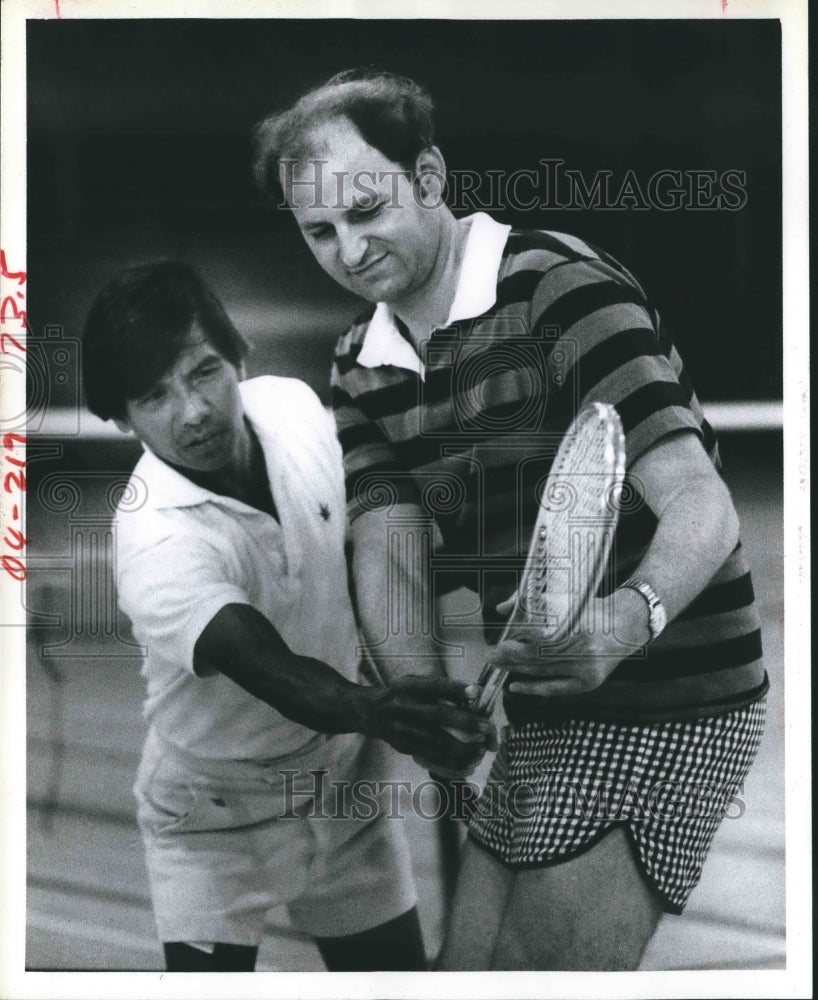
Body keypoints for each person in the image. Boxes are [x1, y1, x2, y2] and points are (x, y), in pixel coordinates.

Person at [252, 69, 770, 971]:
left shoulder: (557, 289)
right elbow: (389, 543)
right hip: (542, 708)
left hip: (673, 699)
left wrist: (629, 617)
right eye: (320, 231)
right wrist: (422, 697)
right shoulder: (357, 363)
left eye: (367, 209)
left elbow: (701, 501)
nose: (350, 248)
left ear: (428, 177)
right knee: (466, 975)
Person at [80, 260, 494, 972]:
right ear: (123, 419)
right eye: (154, 396)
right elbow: (282, 676)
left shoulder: (297, 409)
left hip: (343, 783)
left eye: (204, 372)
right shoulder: (155, 541)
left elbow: (376, 535)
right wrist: (393, 713)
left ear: (239, 355)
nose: (193, 411)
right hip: (216, 812)